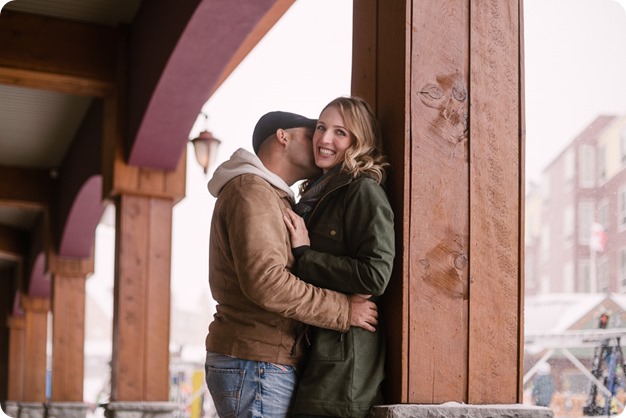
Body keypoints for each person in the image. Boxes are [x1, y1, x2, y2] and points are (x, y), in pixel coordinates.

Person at [204, 110, 380, 418]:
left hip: (257, 359)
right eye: (313, 132)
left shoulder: (271, 195)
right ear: (283, 136)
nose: (320, 142)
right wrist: (344, 310)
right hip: (255, 361)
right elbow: (268, 282)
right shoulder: (252, 190)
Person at [283, 96, 395, 417]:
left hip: (342, 364)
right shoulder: (318, 193)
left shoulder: (362, 190)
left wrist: (305, 255)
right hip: (315, 348)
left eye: (340, 132)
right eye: (321, 127)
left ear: (359, 141)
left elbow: (374, 276)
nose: (325, 139)